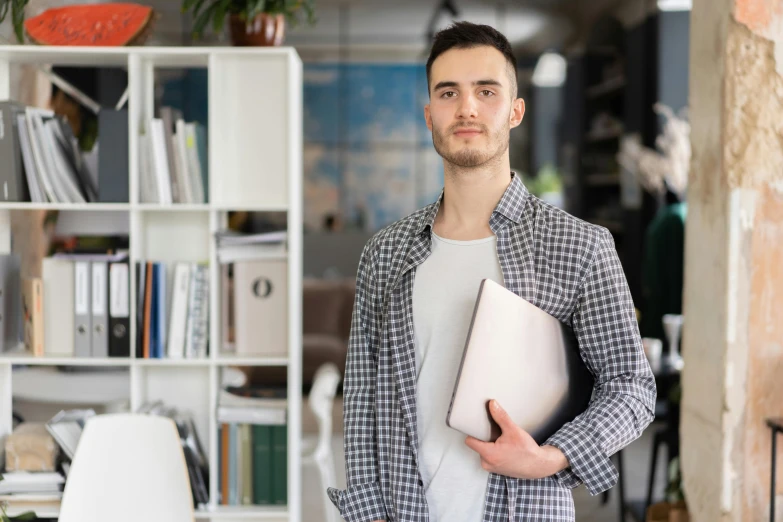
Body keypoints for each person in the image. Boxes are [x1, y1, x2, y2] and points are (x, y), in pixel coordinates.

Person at [327, 21, 656, 522]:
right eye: (448, 92)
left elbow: (631, 386)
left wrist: (551, 457)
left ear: (516, 110)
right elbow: (363, 402)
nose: (467, 108)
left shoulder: (580, 246)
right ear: (428, 114)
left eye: (486, 90)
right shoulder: (384, 253)